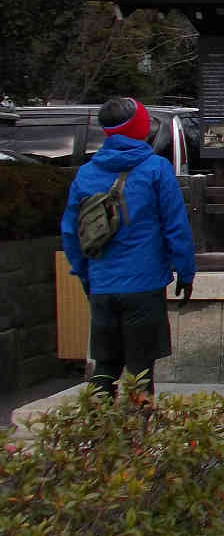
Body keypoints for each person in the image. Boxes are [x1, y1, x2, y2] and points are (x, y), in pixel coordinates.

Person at [61, 96, 195, 397]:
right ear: (141, 128)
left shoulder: (86, 173)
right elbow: (175, 226)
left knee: (105, 364)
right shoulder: (156, 169)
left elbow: (71, 231)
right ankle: (137, 435)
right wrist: (185, 272)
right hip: (144, 282)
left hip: (102, 283)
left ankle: (100, 432)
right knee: (140, 368)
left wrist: (85, 274)